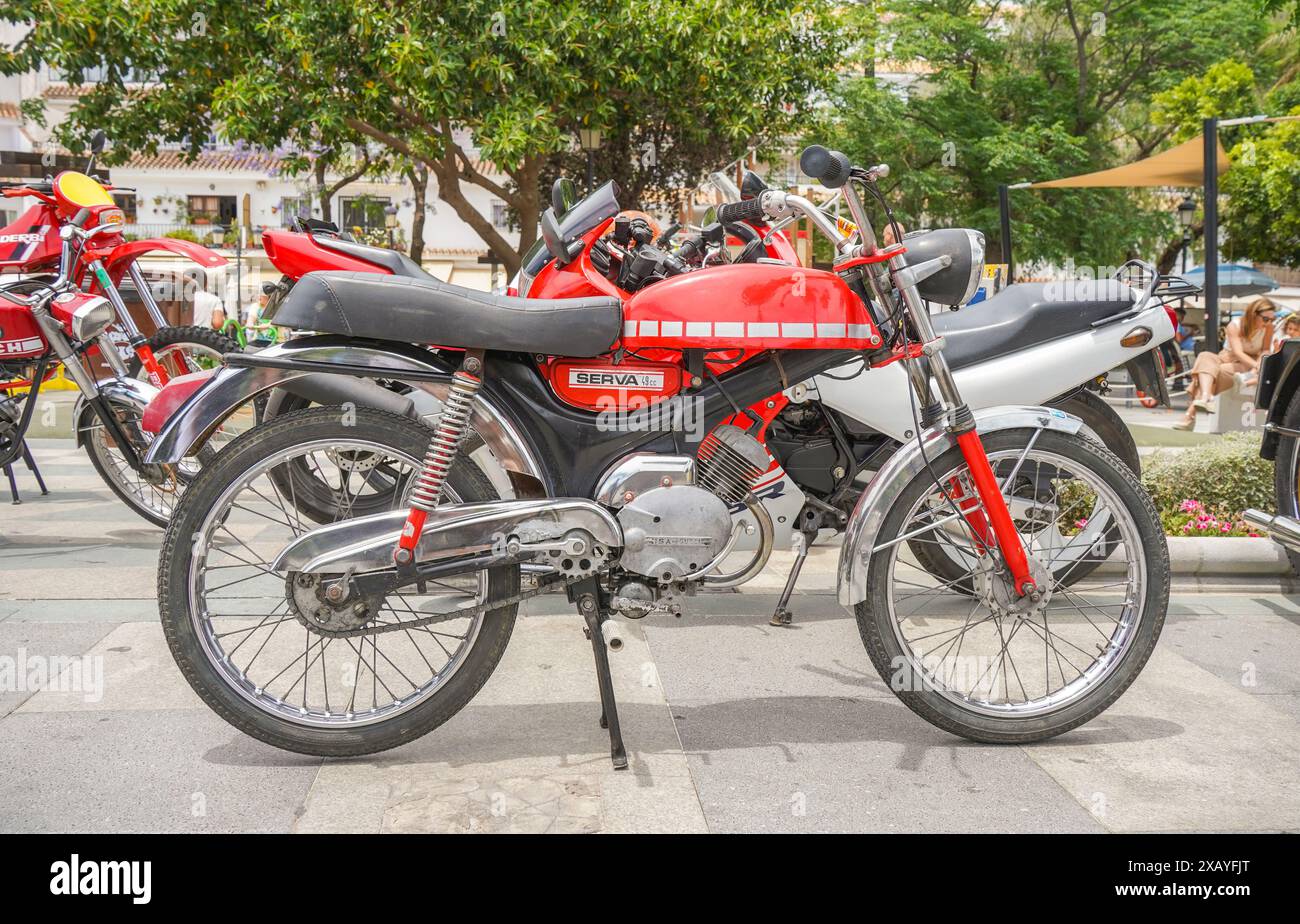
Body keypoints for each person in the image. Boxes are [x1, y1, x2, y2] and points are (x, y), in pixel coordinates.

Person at [1174, 296, 1277, 430]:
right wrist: (1257, 365)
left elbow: (1265, 349)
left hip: (1247, 362)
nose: (1268, 322)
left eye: (1271, 319)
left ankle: (1190, 415)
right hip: (1229, 356)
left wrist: (1259, 363)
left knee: (1213, 372)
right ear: (1254, 314)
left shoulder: (1268, 328)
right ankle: (1206, 397)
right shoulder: (1235, 325)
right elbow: (1237, 352)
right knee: (1205, 357)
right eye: (1265, 319)